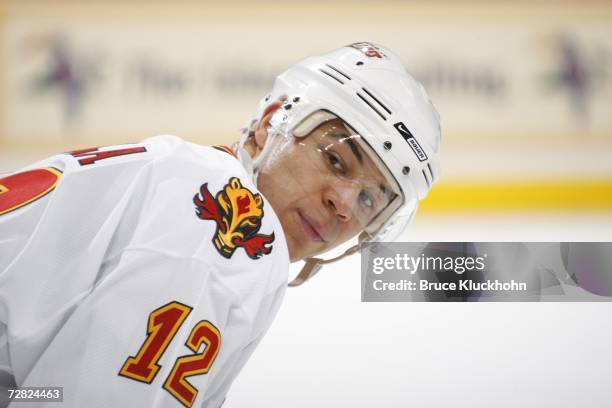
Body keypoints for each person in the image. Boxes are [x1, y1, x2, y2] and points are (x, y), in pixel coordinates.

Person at [0, 42, 440, 407]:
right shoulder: (229, 234)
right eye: (335, 160)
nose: (343, 205)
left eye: (369, 199)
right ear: (272, 124)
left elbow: (45, 390)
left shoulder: (188, 174)